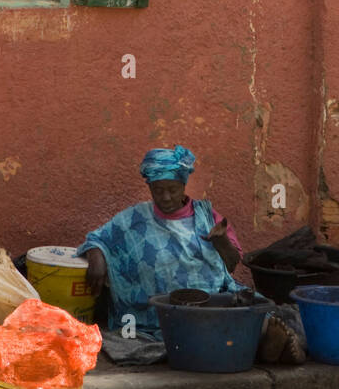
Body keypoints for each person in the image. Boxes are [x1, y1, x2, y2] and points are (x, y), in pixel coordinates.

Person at [77, 145, 306, 365]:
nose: (165, 197)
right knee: (226, 330)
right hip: (156, 314)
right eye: (158, 190)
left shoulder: (206, 217)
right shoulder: (134, 219)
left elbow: (232, 264)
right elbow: (97, 239)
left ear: (183, 185)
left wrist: (221, 240)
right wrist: (96, 258)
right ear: (150, 188)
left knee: (247, 313)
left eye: (172, 189)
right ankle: (262, 343)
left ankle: (266, 340)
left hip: (210, 302)